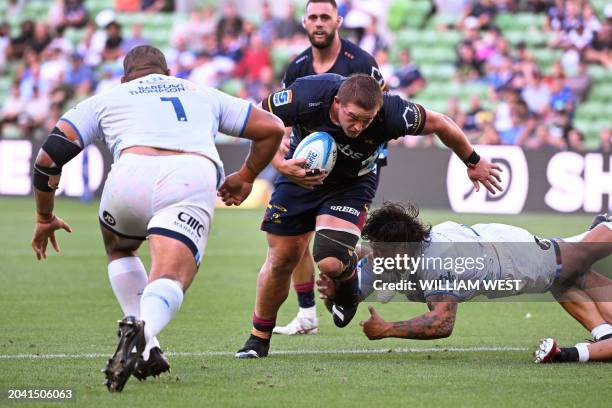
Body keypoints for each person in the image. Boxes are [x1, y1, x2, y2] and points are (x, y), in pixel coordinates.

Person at [30, 45, 284, 391]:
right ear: (167, 73)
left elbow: (48, 158)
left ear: (125, 78)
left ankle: (147, 347)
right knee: (170, 274)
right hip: (188, 175)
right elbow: (272, 127)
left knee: (120, 249)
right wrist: (246, 176)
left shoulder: (108, 97)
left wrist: (45, 216)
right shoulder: (200, 93)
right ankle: (143, 331)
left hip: (128, 177)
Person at [225, 72, 502, 359]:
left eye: (366, 121)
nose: (358, 127)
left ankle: (347, 291)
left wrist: (474, 160)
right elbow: (258, 121)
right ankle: (258, 338)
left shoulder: (394, 113)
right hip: (298, 176)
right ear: (336, 103)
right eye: (352, 117)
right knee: (282, 259)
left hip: (351, 186)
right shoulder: (307, 95)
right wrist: (277, 165)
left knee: (331, 261)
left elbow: (442, 124)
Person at [318, 202, 612, 364]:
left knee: (572, 261)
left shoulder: (438, 262)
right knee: (572, 277)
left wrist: (387, 329)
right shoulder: (388, 255)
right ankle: (605, 336)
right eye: (373, 245)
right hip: (485, 239)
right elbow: (344, 311)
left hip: (518, 257)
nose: (373, 253)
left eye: (379, 248)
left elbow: (442, 323)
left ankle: (605, 224)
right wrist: (339, 287)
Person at [273, 0, 386, 336]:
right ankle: (307, 313)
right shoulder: (297, 67)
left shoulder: (361, 62)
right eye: (313, 17)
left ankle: (350, 275)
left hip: (354, 164)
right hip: (310, 160)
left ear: (338, 21)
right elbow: (284, 118)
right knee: (294, 241)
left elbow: (381, 107)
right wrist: (283, 141)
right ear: (304, 22)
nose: (319, 23)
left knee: (328, 248)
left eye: (325, 17)